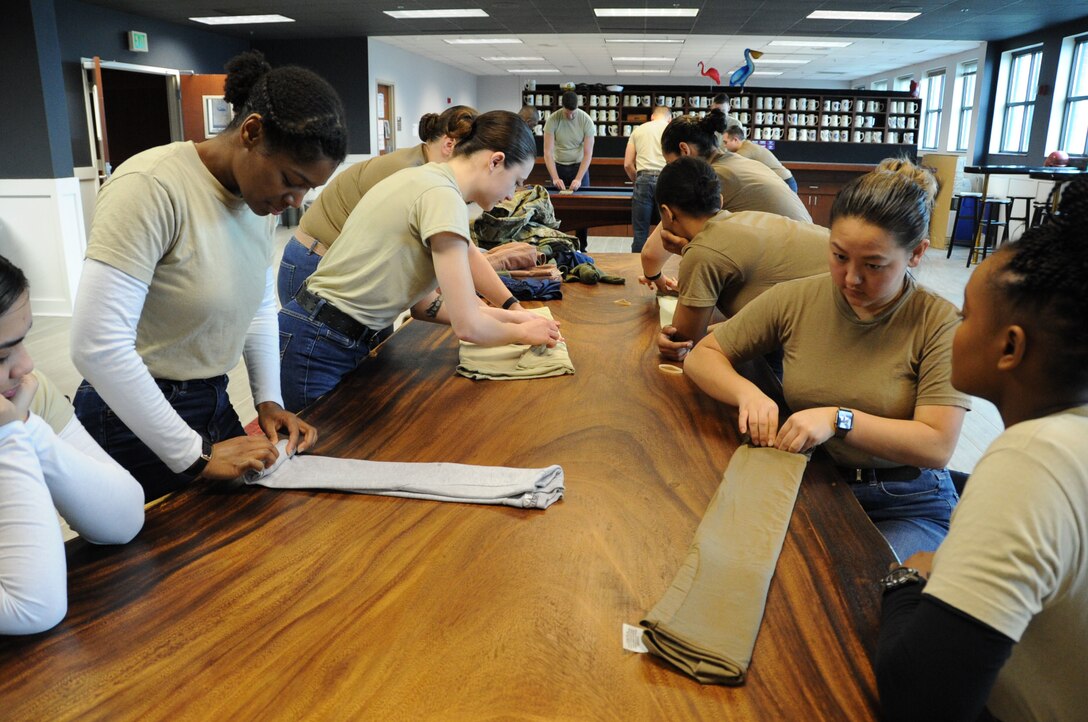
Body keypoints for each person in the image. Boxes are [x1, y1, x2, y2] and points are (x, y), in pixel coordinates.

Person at [71, 50, 344, 501]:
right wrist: (192, 456)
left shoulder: (258, 200)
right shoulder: (151, 186)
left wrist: (269, 401)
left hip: (212, 398)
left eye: (307, 189)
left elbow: (259, 308)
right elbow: (96, 345)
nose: (296, 201)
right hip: (131, 414)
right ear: (251, 132)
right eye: (290, 180)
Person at [684, 158, 970, 562]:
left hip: (905, 501)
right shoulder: (799, 298)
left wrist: (839, 419)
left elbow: (936, 444)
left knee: (870, 583)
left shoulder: (939, 322)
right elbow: (704, 355)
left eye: (873, 265)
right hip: (814, 481)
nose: (851, 278)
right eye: (839, 256)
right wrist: (748, 394)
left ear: (917, 253)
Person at [876, 178, 1088, 722]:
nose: (954, 327)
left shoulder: (1034, 459)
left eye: (966, 316)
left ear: (1010, 346)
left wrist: (908, 580)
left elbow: (919, 702)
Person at [279, 110, 562, 411]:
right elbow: (468, 325)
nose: (511, 195)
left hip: (319, 334)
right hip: (320, 343)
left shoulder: (424, 179)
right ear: (495, 161)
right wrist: (522, 332)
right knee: (320, 441)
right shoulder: (443, 197)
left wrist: (515, 314)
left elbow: (428, 303)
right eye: (516, 181)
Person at [0, 255, 144, 635]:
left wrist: (27, 429)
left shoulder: (23, 396)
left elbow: (124, 518)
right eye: (1, 355)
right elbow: (34, 606)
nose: (26, 365)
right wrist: (8, 439)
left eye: (24, 340)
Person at [278, 105, 478, 305]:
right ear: (449, 145)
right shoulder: (408, 172)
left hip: (330, 261)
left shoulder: (423, 169)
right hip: (314, 259)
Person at [648, 157, 828, 361]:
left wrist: (670, 341)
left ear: (667, 213)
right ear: (720, 200)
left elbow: (686, 344)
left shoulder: (702, 252)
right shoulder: (744, 219)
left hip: (831, 336)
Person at [623, 106, 671, 253]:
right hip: (666, 180)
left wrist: (637, 179)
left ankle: (636, 265)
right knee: (666, 230)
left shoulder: (638, 130)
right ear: (669, 119)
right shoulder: (672, 131)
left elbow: (628, 164)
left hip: (643, 178)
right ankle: (662, 264)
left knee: (640, 233)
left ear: (652, 117)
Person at [722, 124, 798, 193]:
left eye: (725, 142)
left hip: (784, 183)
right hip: (782, 182)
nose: (724, 146)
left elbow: (730, 166)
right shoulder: (747, 145)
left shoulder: (746, 149)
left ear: (735, 140)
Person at [543, 91, 595, 191]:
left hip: (579, 167)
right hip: (558, 167)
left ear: (577, 106)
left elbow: (588, 154)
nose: (570, 117)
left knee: (583, 198)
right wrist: (555, 178)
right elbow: (548, 152)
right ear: (562, 107)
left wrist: (578, 179)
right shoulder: (552, 120)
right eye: (567, 113)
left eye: (573, 113)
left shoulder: (586, 121)